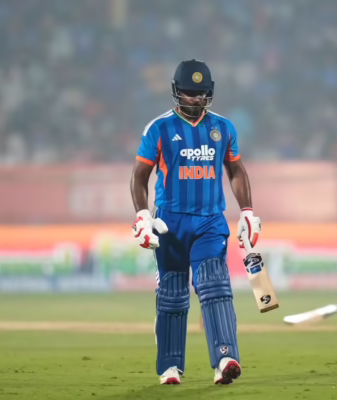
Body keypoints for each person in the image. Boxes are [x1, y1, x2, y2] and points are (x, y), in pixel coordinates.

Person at [130, 59, 261, 385]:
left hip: (209, 222)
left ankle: (225, 358)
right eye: (189, 93)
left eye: (201, 93)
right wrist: (143, 216)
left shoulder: (223, 128)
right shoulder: (159, 128)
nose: (196, 99)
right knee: (173, 295)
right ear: (177, 92)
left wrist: (247, 211)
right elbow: (139, 176)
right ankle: (170, 366)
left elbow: (236, 170)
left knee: (215, 286)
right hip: (169, 223)